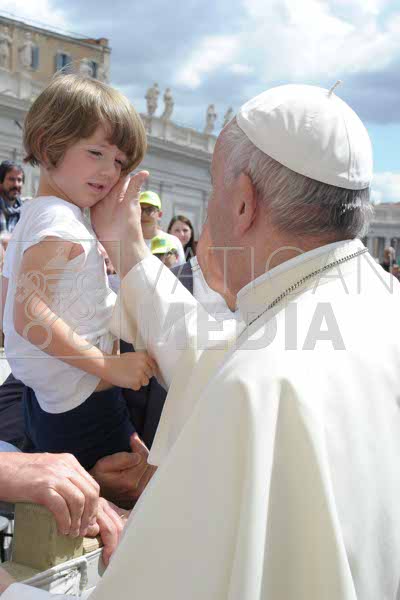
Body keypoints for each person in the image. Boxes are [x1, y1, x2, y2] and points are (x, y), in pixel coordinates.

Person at [4, 82, 400, 600]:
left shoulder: (256, 387)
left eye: (214, 190)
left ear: (243, 204)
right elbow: (212, 353)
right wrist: (129, 250)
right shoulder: (381, 301)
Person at [1, 74, 156, 471]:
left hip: (53, 402)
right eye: (96, 152)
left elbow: (7, 300)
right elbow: (28, 316)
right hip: (84, 405)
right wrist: (108, 365)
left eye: (119, 161)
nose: (109, 172)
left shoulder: (36, 216)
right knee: (125, 488)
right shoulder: (60, 222)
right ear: (49, 144)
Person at [139, 190, 185, 264]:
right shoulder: (126, 241)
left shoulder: (173, 242)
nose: (143, 214)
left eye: (150, 210)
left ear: (159, 215)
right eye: (140, 209)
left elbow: (181, 270)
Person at [0, 161, 24, 235]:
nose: (16, 185)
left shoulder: (25, 211)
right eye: (11, 179)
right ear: (1, 182)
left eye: (19, 180)